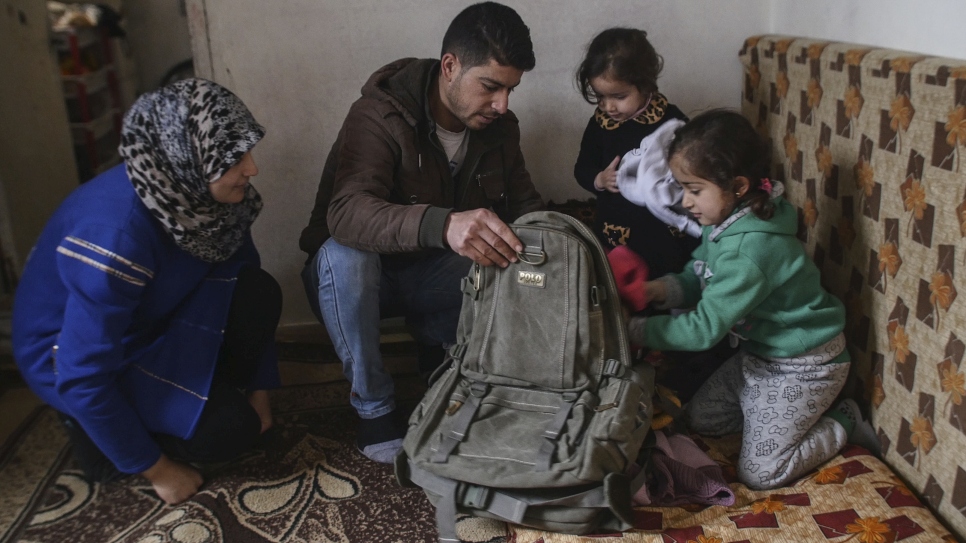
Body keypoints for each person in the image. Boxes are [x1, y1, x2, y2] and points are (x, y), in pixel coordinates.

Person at [12, 79, 282, 505]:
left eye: (247, 151)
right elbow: (82, 374)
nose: (252, 168)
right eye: (233, 157)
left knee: (257, 291)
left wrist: (260, 391)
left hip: (150, 317)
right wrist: (159, 470)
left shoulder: (203, 197)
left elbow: (243, 278)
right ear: (183, 156)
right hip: (73, 357)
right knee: (229, 432)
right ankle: (100, 434)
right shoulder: (114, 237)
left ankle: (179, 404)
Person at [299, 2, 544, 464]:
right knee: (344, 255)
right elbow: (347, 213)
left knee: (509, 248)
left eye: (511, 90)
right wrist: (443, 223)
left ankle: (441, 361)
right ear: (450, 67)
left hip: (432, 283)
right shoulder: (378, 115)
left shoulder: (500, 129)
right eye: (490, 86)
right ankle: (374, 407)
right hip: (356, 284)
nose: (502, 104)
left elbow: (526, 209)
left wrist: (570, 253)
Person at [626, 109, 871, 490]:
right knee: (700, 421)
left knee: (759, 473)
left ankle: (844, 419)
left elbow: (704, 329)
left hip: (804, 365)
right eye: (682, 188)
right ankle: (764, 407)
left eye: (694, 190)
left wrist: (634, 331)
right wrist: (655, 291)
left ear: (738, 186)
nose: (686, 202)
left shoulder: (751, 250)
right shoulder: (725, 223)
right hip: (760, 356)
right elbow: (698, 275)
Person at [573, 27, 698, 280]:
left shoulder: (670, 122)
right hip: (616, 232)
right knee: (618, 284)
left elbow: (692, 168)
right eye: (600, 97)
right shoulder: (601, 124)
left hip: (663, 232)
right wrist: (598, 179)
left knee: (669, 277)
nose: (608, 106)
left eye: (619, 96)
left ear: (645, 83)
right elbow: (582, 167)